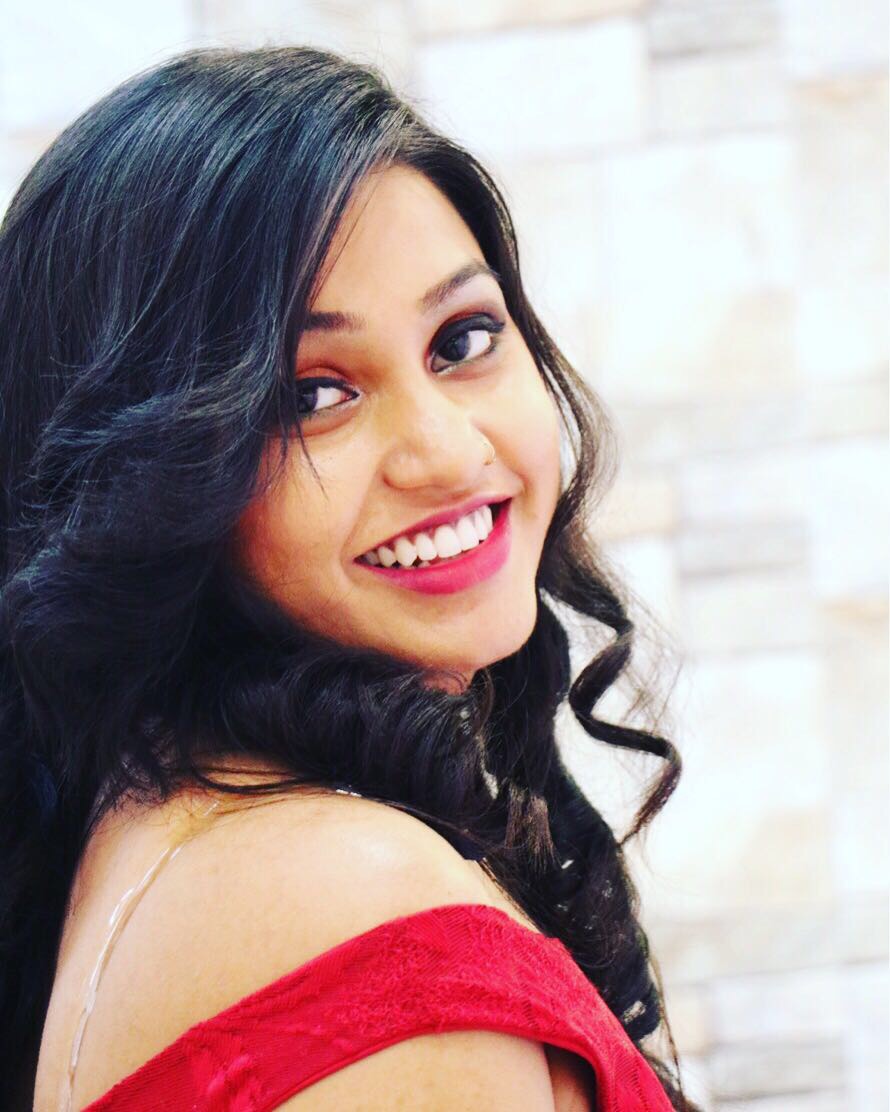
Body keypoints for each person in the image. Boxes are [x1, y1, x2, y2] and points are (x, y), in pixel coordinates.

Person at [0, 46, 698, 1111]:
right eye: (312, 396)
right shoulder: (374, 922)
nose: (446, 451)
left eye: (463, 339)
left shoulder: (160, 834)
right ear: (142, 485)